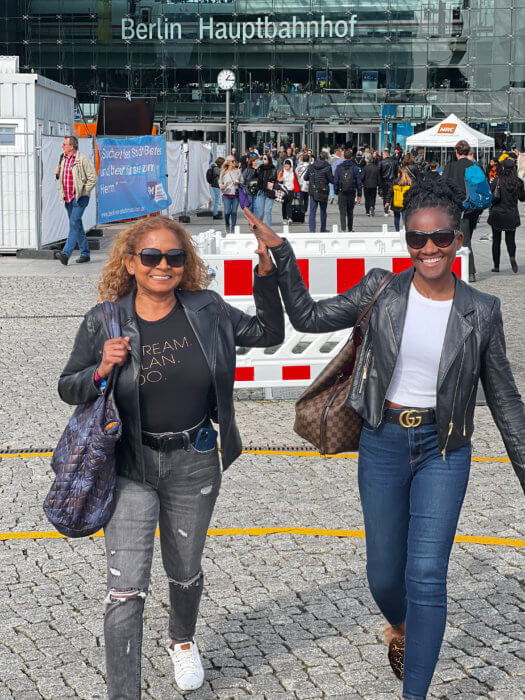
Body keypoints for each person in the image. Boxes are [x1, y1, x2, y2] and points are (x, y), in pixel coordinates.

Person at [244, 180, 525, 700]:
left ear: (458, 238)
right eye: (417, 240)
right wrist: (282, 255)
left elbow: (505, 399)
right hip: (382, 442)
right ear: (406, 242)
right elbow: (307, 316)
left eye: (440, 237)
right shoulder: (381, 290)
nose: (429, 249)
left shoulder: (481, 310)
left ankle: (413, 693)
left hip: (445, 449)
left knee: (425, 574)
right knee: (383, 576)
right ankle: (401, 626)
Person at [58, 215, 284, 698]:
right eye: (152, 257)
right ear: (130, 263)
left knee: (184, 571)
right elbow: (67, 385)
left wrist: (267, 274)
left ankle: (182, 640)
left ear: (186, 263)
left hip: (195, 460)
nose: (164, 265)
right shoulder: (105, 319)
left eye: (174, 257)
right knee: (125, 589)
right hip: (130, 466)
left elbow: (269, 333)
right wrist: (100, 370)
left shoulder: (208, 309)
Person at [54, 135, 97, 266]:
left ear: (71, 146)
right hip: (67, 197)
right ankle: (85, 254)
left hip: (80, 198)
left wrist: (84, 191)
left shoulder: (82, 159)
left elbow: (93, 178)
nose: (62, 146)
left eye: (64, 144)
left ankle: (66, 254)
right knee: (77, 225)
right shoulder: (62, 158)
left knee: (73, 223)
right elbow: (62, 177)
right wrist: (57, 174)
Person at [442, 139, 481, 283]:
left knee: (451, 240)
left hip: (454, 208)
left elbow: (443, 187)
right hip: (471, 209)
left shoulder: (450, 166)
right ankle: (470, 272)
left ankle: (454, 271)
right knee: (466, 240)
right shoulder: (474, 167)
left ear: (456, 152)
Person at [488, 157, 525, 273]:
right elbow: (522, 199)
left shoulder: (496, 181)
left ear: (502, 167)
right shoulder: (518, 182)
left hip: (497, 213)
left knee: (496, 240)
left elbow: (490, 196)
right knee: (510, 239)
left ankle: (496, 265)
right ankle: (512, 256)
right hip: (511, 213)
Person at [304, 151, 334, 233]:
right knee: (323, 211)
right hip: (323, 191)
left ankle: (312, 230)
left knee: (312, 211)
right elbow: (331, 180)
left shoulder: (311, 166)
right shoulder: (328, 167)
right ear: (326, 158)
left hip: (313, 190)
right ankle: (323, 229)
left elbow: (305, 177)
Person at [333, 149, 362, 232]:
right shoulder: (355, 167)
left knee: (342, 211)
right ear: (351, 157)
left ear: (343, 157)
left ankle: (343, 229)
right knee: (350, 211)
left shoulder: (339, 167)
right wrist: (359, 193)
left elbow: (335, 180)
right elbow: (358, 182)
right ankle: (350, 228)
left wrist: (336, 191)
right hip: (351, 192)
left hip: (342, 192)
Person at [219, 155, 241, 233]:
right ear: (228, 162)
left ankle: (233, 228)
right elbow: (220, 183)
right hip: (226, 195)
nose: (234, 162)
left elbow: (242, 181)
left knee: (234, 211)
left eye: (235, 161)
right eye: (233, 161)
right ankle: (227, 225)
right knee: (227, 212)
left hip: (235, 194)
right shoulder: (223, 172)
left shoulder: (238, 171)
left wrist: (238, 182)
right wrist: (222, 186)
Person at [255, 153, 277, 227]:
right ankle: (259, 227)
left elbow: (275, 180)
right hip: (261, 192)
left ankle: (268, 229)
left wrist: (273, 187)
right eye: (262, 159)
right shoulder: (260, 168)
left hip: (270, 192)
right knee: (260, 213)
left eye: (265, 159)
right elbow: (255, 177)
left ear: (269, 160)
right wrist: (256, 169)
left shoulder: (273, 169)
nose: (263, 160)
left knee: (268, 211)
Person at [277, 159, 300, 224]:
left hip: (291, 190)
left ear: (290, 166)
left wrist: (298, 193)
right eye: (285, 165)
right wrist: (280, 180)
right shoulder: (282, 173)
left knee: (289, 204)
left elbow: (297, 183)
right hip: (284, 191)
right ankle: (284, 218)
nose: (286, 166)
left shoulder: (293, 173)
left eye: (288, 165)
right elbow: (278, 181)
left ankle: (289, 218)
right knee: (284, 204)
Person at [392, 167, 414, 232]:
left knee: (396, 217)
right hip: (405, 202)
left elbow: (391, 191)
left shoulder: (395, 181)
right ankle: (405, 230)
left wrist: (387, 201)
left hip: (396, 202)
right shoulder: (408, 181)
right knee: (405, 217)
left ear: (399, 173)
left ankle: (397, 230)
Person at [379, 149, 398, 216]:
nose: (382, 156)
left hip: (384, 181)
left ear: (385, 154)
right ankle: (391, 208)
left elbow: (380, 173)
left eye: (383, 154)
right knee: (392, 195)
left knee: (385, 196)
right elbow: (396, 173)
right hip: (393, 181)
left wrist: (379, 183)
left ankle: (386, 210)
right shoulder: (394, 162)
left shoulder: (381, 162)